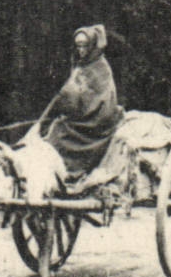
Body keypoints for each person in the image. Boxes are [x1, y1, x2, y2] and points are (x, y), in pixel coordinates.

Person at [43, 24, 124, 177]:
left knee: (59, 133)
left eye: (85, 46)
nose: (81, 50)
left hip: (95, 122)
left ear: (93, 46)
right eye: (78, 46)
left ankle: (72, 172)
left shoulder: (101, 68)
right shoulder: (81, 66)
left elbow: (103, 101)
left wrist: (76, 101)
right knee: (54, 127)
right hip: (80, 118)